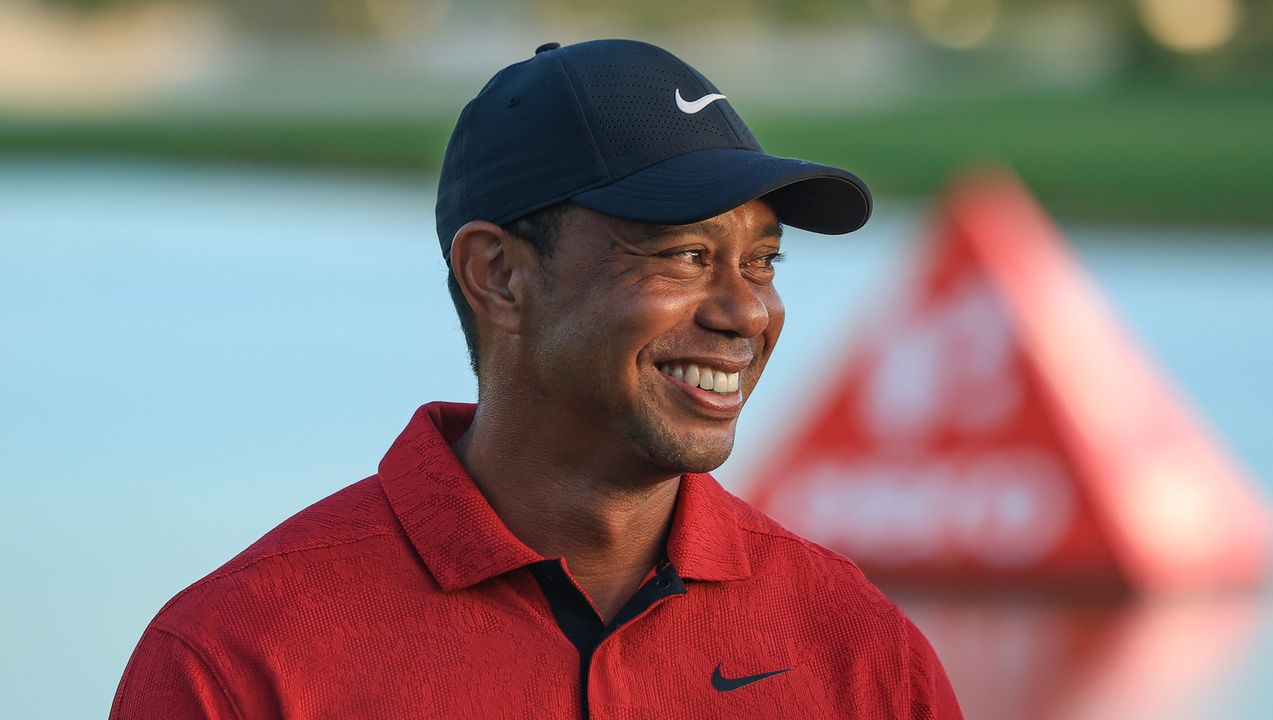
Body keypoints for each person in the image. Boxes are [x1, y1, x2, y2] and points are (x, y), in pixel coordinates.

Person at [111, 39, 963, 719]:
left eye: (764, 261)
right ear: (499, 277)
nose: (745, 312)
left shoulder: (855, 644)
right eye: (685, 255)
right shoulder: (237, 657)